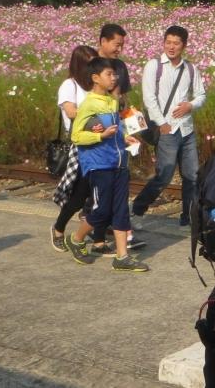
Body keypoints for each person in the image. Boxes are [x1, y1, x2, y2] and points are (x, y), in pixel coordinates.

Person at [64, 57, 148, 272]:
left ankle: (122, 257)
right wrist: (100, 137)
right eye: (109, 74)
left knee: (121, 210)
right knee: (102, 211)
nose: (114, 78)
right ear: (95, 78)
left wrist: (125, 138)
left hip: (119, 163)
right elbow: (76, 136)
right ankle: (76, 238)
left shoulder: (112, 102)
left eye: (114, 74)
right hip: (99, 164)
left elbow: (116, 130)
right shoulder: (89, 104)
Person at [133, 25, 206, 226]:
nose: (171, 47)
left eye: (176, 43)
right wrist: (162, 123)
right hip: (166, 129)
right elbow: (149, 98)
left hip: (186, 129)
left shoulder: (190, 69)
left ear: (184, 45)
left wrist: (190, 105)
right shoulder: (154, 66)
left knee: (192, 175)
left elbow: (201, 94)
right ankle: (138, 208)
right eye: (168, 42)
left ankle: (188, 217)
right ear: (164, 43)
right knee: (164, 175)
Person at [50, 45, 111, 255]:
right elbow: (71, 112)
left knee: (100, 195)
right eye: (90, 64)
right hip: (83, 147)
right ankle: (58, 228)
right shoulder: (70, 85)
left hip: (101, 145)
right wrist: (96, 117)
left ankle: (99, 240)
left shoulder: (95, 86)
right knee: (79, 196)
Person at [95, 23, 144, 251]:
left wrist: (133, 124)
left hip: (118, 130)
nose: (119, 49)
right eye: (116, 44)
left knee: (119, 182)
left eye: (122, 45)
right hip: (98, 131)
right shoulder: (92, 66)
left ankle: (122, 233)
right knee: (98, 187)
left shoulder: (121, 66)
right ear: (103, 41)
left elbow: (123, 99)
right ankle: (92, 233)